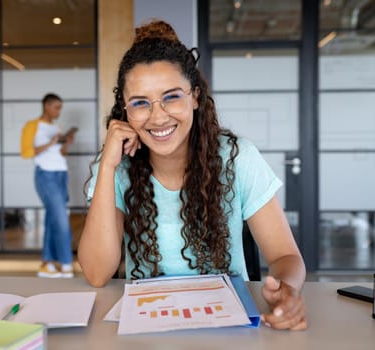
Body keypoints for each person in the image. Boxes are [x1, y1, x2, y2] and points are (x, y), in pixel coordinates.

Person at [78, 21, 306, 330]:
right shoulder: (117, 165)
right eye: (141, 103)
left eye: (171, 97)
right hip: (146, 326)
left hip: (228, 326)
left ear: (195, 97)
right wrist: (107, 165)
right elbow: (96, 272)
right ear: (125, 111)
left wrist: (287, 290)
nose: (158, 116)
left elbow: (285, 255)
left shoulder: (238, 159)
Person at [21, 93, 74, 278]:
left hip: (61, 174)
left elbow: (61, 154)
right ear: (46, 106)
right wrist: (49, 143)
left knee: (53, 218)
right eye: (57, 107)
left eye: (61, 108)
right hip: (45, 175)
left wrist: (65, 144)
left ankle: (47, 263)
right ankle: (66, 263)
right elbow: (26, 152)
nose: (59, 111)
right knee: (61, 218)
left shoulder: (56, 127)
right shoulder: (32, 126)